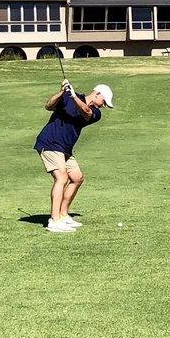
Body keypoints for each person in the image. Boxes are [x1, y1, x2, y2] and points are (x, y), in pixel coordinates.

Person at [33, 80, 114, 233]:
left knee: (77, 178)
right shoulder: (68, 96)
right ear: (97, 94)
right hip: (50, 142)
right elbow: (48, 106)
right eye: (104, 101)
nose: (103, 105)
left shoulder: (96, 113)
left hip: (64, 148)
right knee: (62, 178)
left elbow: (86, 112)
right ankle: (54, 220)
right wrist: (62, 92)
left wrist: (73, 97)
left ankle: (63, 215)